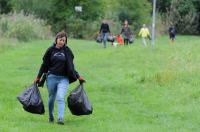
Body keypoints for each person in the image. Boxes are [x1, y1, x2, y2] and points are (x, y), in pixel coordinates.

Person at [34, 31, 85, 125]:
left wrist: (78, 76)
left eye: (64, 40)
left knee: (60, 97)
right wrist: (38, 77)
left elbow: (71, 66)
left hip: (64, 79)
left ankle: (60, 118)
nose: (62, 42)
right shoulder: (50, 50)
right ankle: (51, 116)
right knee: (51, 98)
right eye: (60, 40)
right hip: (51, 78)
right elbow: (44, 65)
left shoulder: (67, 51)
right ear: (56, 39)